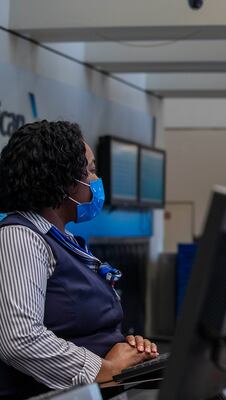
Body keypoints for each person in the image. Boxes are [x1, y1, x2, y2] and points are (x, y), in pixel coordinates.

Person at [0, 121, 158, 399]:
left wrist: (127, 347)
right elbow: (19, 339)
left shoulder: (64, 239)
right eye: (92, 170)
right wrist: (103, 368)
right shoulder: (20, 238)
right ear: (64, 181)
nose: (97, 181)